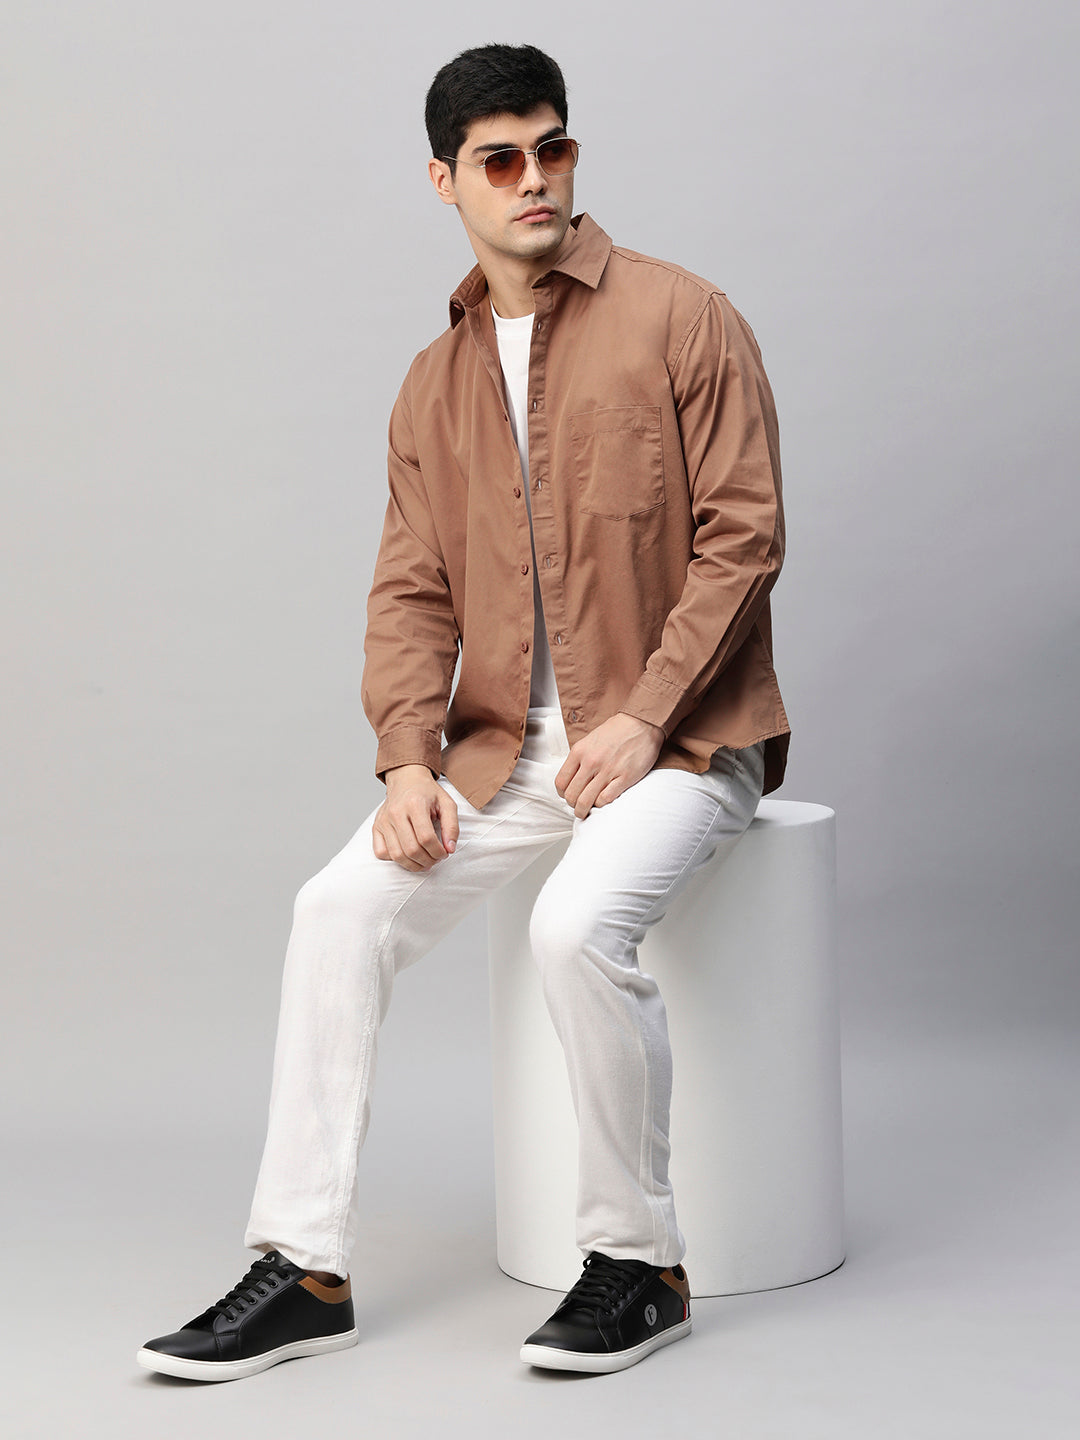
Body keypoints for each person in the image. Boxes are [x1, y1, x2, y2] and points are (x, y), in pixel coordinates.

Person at [137, 41, 791, 1382]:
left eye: (553, 149)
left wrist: (642, 717)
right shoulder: (430, 387)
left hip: (682, 740)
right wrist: (403, 763)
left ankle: (640, 1265)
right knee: (336, 912)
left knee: (572, 930)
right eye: (501, 160)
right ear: (445, 180)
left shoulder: (684, 317)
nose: (534, 178)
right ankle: (305, 1268)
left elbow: (745, 536)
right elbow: (410, 594)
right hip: (504, 758)